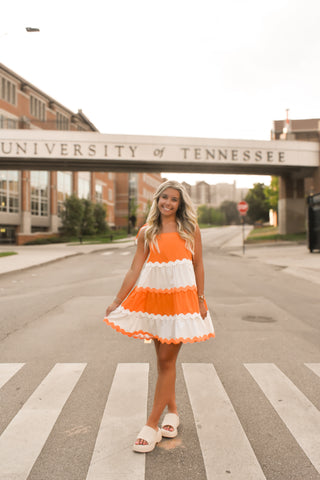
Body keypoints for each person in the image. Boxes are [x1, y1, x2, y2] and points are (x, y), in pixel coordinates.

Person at [104, 180, 215, 453]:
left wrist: (201, 299)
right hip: (154, 301)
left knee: (166, 360)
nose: (167, 203)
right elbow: (134, 269)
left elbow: (198, 264)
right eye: (163, 197)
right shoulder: (147, 232)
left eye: (173, 199)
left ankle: (151, 426)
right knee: (165, 361)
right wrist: (118, 300)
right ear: (157, 200)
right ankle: (173, 413)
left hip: (181, 302)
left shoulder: (189, 230)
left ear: (181, 204)